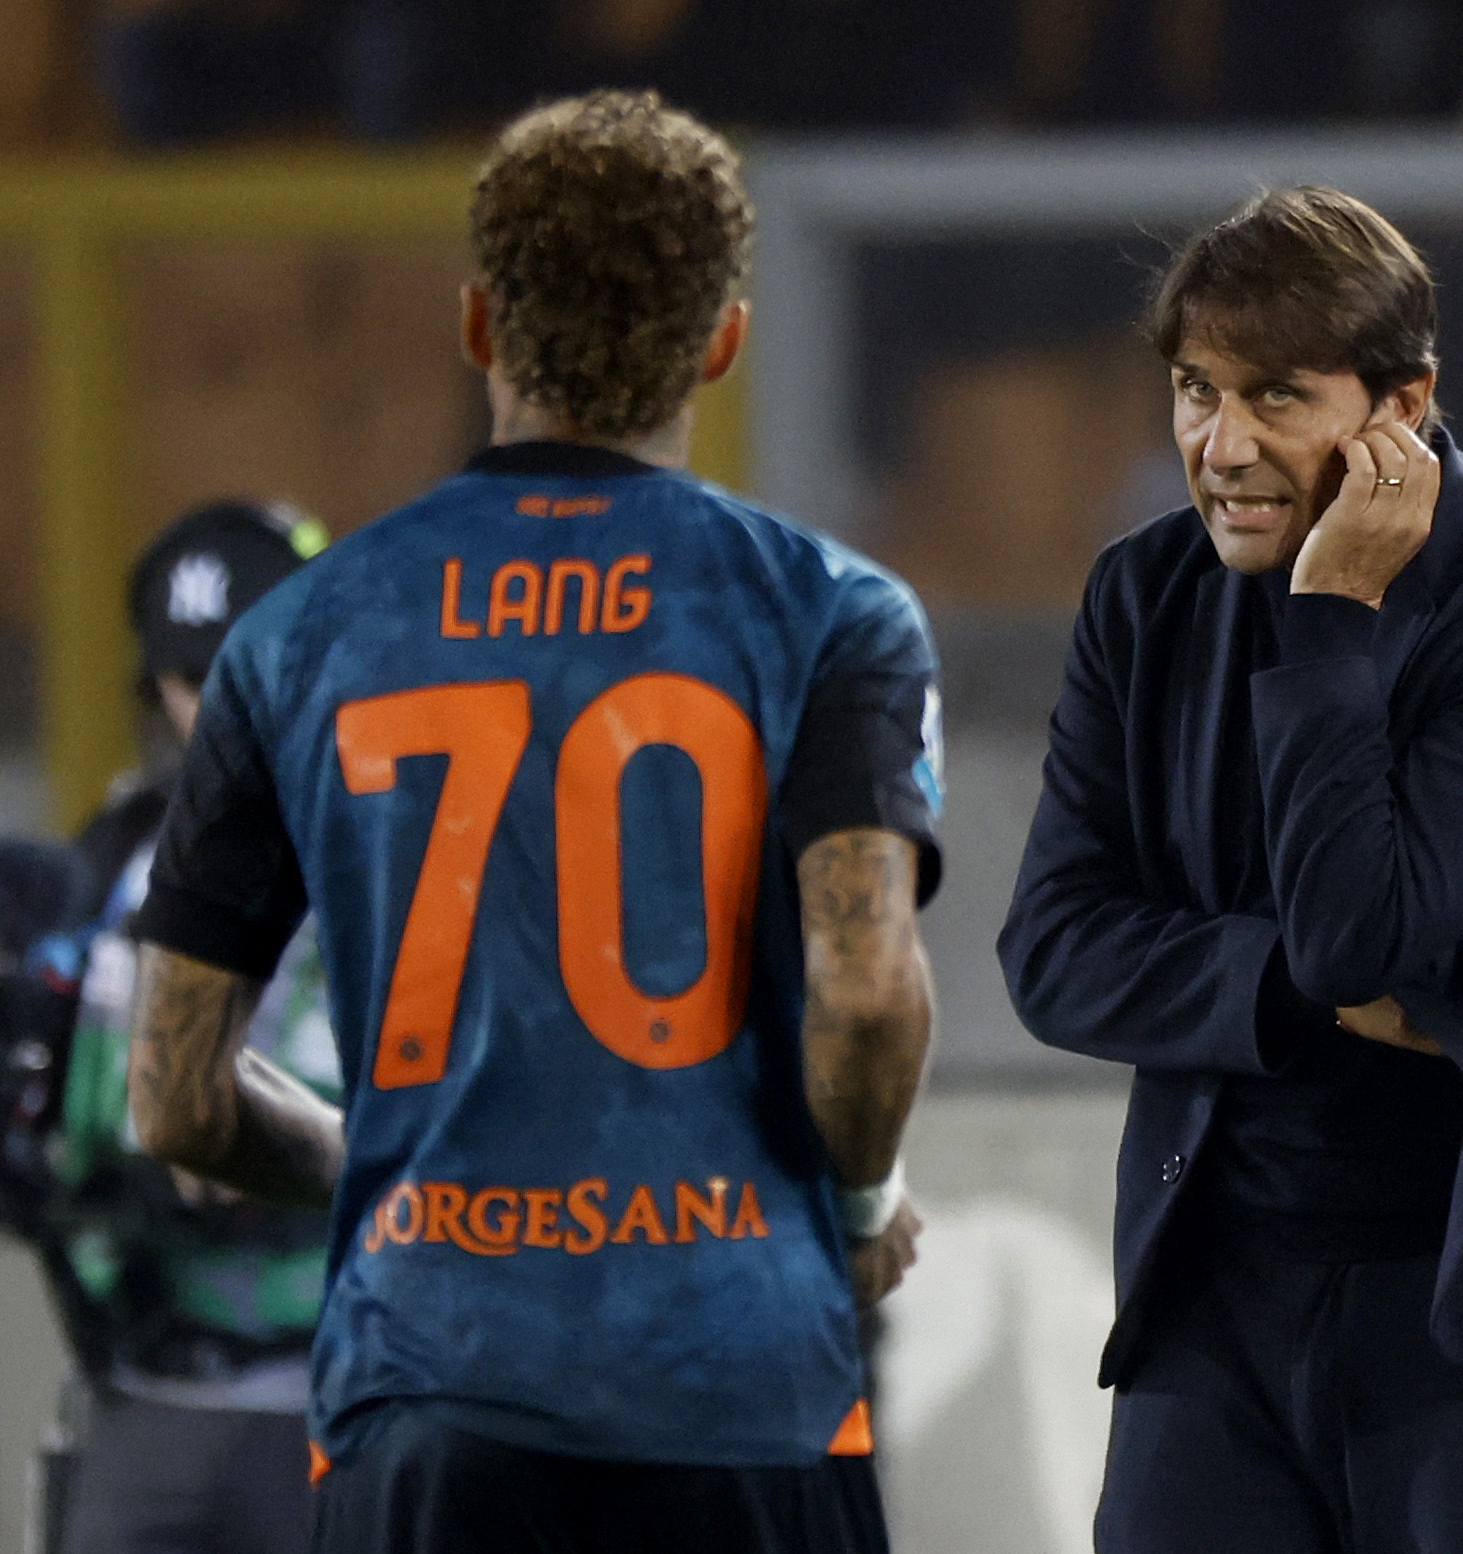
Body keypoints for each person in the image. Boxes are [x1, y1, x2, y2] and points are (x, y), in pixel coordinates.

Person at [122, 89, 942, 1554]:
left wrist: (365, 1152)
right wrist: (864, 1191)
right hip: (742, 1383)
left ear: (479, 327)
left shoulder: (300, 635)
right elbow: (868, 992)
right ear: (722, 342)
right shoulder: (833, 613)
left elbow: (175, 1097)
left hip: (430, 1381)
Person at [997, 185, 1463, 1554]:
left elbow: (1356, 927)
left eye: (1275, 396)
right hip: (1215, 1306)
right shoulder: (1141, 595)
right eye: (1195, 390)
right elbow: (1053, 951)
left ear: (1402, 404)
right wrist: (1292, 989)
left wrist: (1328, 618)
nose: (1221, 443)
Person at [50, 498, 337, 1554]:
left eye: (241, 670)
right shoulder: (116, 852)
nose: (212, 708)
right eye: (188, 681)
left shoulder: (396, 843)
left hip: (333, 1399)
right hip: (146, 1387)